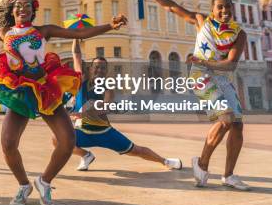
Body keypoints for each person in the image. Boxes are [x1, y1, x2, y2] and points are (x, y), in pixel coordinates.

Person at [0, 0, 127, 205]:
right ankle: (24, 185)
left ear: (33, 9)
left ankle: (44, 181)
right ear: (12, 10)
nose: (22, 9)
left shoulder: (43, 30)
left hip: (46, 88)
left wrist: (110, 26)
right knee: (8, 144)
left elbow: (81, 31)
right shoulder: (3, 32)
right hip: (20, 91)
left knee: (67, 141)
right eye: (17, 5)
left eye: (27, 5)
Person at [145, 0, 249, 191]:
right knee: (226, 118)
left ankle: (228, 175)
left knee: (237, 125)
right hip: (201, 76)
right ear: (213, 10)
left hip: (222, 76)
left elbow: (230, 65)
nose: (224, 10)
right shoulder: (202, 21)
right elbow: (172, 6)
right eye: (220, 7)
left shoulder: (239, 33)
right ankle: (202, 164)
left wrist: (203, 60)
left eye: (227, 7)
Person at [55, 39, 182, 172]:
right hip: (82, 132)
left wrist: (83, 114)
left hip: (103, 132)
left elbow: (105, 106)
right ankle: (86, 155)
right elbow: (76, 55)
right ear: (91, 69)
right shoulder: (81, 80)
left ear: (106, 70)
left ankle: (166, 161)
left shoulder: (108, 87)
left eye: (103, 67)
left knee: (136, 150)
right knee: (57, 140)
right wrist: (75, 37)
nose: (99, 70)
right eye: (96, 67)